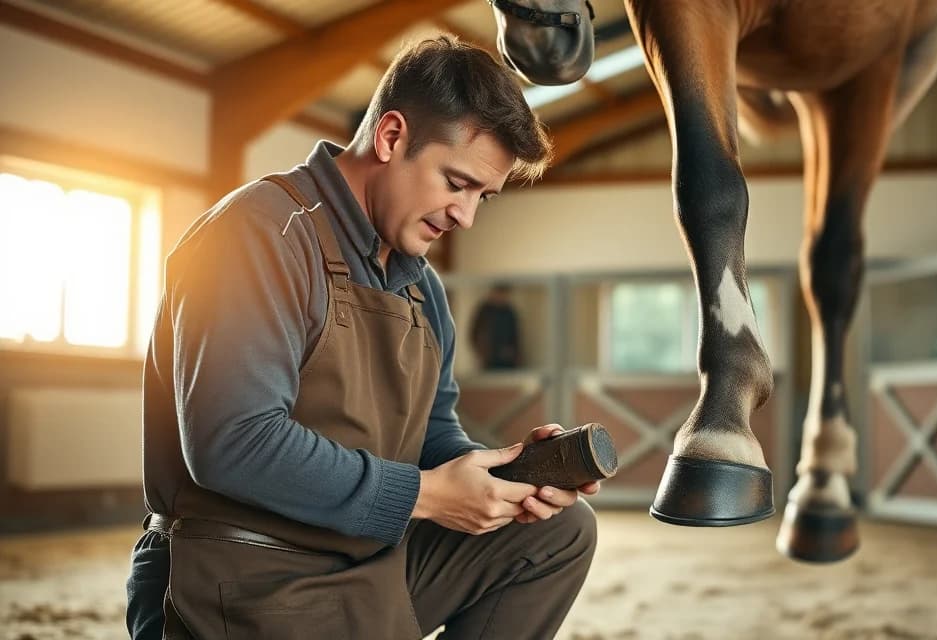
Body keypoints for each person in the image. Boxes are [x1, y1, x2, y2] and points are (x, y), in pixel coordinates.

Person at [125, 36, 599, 639]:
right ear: (391, 136)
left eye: (483, 195)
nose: (466, 215)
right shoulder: (259, 233)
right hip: (238, 577)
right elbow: (232, 442)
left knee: (558, 531)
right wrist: (423, 496)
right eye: (456, 182)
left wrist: (500, 478)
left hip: (364, 566)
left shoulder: (422, 288)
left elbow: (431, 433)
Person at [470, 283, 523, 369]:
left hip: (508, 360)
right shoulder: (484, 311)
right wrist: (481, 353)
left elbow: (515, 337)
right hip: (488, 359)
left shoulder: (509, 312)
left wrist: (514, 354)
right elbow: (474, 334)